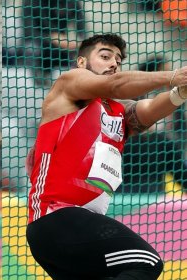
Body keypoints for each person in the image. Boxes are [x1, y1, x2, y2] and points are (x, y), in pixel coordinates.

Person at [25, 33, 187, 279]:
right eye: (105, 56)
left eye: (119, 60)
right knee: (146, 262)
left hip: (74, 230)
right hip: (57, 218)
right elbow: (116, 84)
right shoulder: (70, 83)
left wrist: (180, 92)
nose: (113, 63)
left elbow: (150, 110)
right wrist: (173, 75)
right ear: (81, 62)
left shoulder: (117, 111)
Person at [122, 55, 187, 193]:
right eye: (166, 71)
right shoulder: (133, 96)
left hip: (153, 193)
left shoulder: (164, 143)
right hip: (125, 186)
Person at [22, 0, 86, 83]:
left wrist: (79, 40)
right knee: (31, 46)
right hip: (40, 43)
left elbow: (81, 25)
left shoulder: (71, 2)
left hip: (62, 46)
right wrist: (51, 37)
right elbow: (29, 31)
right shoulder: (30, 2)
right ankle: (40, 76)